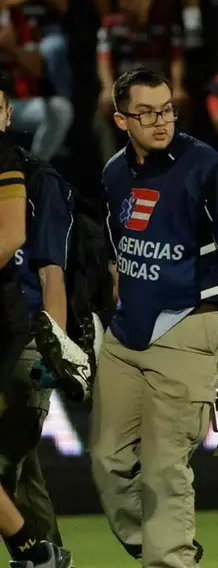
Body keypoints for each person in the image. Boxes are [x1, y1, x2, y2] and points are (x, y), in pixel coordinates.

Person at [91, 67, 218, 568]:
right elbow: (120, 251)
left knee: (164, 468)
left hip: (192, 325)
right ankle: (165, 551)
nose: (159, 121)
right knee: (107, 462)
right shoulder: (113, 174)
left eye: (166, 109)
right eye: (145, 113)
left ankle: (169, 559)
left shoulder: (211, 170)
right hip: (128, 334)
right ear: (121, 118)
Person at [0, 73, 71, 568]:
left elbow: (53, 273)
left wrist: (57, 344)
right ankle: (43, 555)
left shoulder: (37, 179)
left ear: (8, 116)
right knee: (20, 474)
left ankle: (37, 553)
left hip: (21, 336)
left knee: (12, 467)